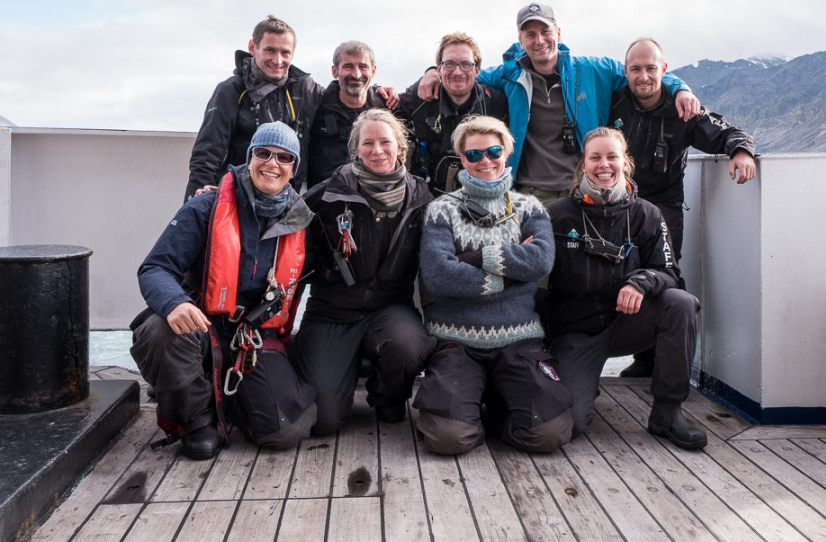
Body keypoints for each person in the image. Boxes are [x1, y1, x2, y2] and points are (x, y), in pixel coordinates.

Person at [132, 121, 318, 460]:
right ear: (249, 158)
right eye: (263, 153)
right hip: (203, 325)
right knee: (159, 332)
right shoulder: (206, 207)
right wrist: (174, 303)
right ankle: (196, 419)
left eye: (284, 158)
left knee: (285, 430)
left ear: (294, 168)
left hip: (254, 336)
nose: (272, 164)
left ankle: (232, 399)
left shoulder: (303, 222)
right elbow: (155, 267)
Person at [418, 3, 700, 206]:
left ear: (558, 33)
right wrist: (432, 71)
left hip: (581, 189)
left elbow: (641, 70)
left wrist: (679, 88)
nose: (539, 40)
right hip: (529, 194)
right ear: (521, 40)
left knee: (578, 275)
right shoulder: (509, 75)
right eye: (530, 34)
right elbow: (465, 73)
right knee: (537, 279)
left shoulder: (592, 70)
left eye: (545, 31)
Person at [414, 115, 573, 455]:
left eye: (493, 151)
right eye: (473, 155)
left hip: (519, 338)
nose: (484, 161)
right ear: (462, 159)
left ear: (506, 154)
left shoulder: (531, 208)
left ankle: (495, 404)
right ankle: (472, 407)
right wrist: (513, 275)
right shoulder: (442, 210)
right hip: (456, 338)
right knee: (448, 439)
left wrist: (473, 257)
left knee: (549, 434)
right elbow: (439, 275)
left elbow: (541, 261)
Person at [546, 127, 706, 450]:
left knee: (681, 303)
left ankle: (667, 411)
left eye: (611, 157)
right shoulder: (558, 216)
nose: (604, 165)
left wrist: (640, 282)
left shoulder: (647, 214)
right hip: (577, 333)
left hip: (629, 323)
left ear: (625, 162)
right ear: (583, 165)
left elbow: (668, 272)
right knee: (571, 423)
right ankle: (584, 384)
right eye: (595, 158)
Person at [611, 37, 757, 377]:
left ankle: (668, 368)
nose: (643, 76)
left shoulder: (683, 109)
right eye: (635, 69)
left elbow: (727, 131)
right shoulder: (613, 101)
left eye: (650, 68)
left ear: (664, 70)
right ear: (626, 72)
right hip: (617, 206)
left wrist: (741, 152)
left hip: (664, 210)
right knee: (618, 277)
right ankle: (641, 357)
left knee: (665, 282)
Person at [291, 109, 435, 435]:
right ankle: (313, 357)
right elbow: (286, 245)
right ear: (355, 149)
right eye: (367, 143)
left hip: (389, 309)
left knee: (409, 345)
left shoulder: (423, 199)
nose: (377, 150)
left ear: (400, 147)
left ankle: (386, 396)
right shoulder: (325, 196)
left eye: (385, 142)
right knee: (324, 421)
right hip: (331, 312)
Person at [184, 15, 323, 201]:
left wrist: (374, 93)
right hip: (237, 199)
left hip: (285, 202)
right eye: (270, 50)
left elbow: (344, 98)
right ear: (252, 47)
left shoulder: (306, 88)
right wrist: (195, 204)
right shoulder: (230, 91)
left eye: (285, 53)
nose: (278, 60)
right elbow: (206, 154)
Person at [397, 32, 508, 195]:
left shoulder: (496, 103)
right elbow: (382, 107)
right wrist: (382, 91)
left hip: (481, 198)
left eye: (466, 64)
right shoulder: (420, 95)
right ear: (439, 69)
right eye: (449, 64)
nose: (457, 72)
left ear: (477, 70)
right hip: (424, 198)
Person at [306, 41, 387, 187]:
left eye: (363, 67)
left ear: (373, 71)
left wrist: (431, 72)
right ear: (334, 71)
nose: (356, 75)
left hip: (372, 201)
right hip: (322, 202)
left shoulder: (388, 108)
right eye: (348, 66)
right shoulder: (314, 105)